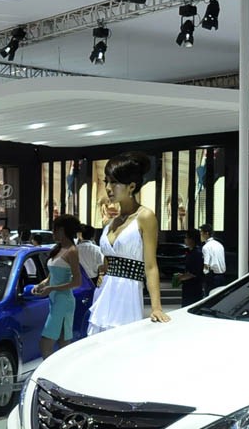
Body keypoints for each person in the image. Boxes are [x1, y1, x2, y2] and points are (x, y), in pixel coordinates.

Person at [88, 152, 170, 335]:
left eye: (114, 182)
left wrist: (156, 307)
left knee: (123, 341)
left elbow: (150, 266)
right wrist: (102, 272)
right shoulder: (111, 222)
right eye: (106, 181)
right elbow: (108, 260)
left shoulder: (145, 217)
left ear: (131, 186)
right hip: (104, 292)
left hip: (127, 294)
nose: (108, 188)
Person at [34, 215, 82, 358]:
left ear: (61, 230)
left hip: (63, 301)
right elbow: (51, 277)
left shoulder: (72, 251)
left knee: (45, 343)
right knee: (63, 343)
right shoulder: (59, 248)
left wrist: (52, 288)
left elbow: (77, 282)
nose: (53, 233)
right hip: (55, 300)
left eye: (54, 229)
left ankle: (49, 370)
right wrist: (41, 284)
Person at [173, 229, 204, 306]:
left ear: (192, 239)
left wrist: (181, 278)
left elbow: (194, 273)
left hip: (194, 287)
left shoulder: (197, 253)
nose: (185, 239)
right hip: (188, 286)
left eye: (186, 237)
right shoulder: (190, 252)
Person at [199, 223, 225, 295]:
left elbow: (206, 264)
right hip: (222, 276)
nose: (200, 236)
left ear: (206, 233)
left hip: (211, 277)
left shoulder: (206, 247)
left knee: (210, 298)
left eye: (201, 233)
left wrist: (205, 275)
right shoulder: (219, 245)